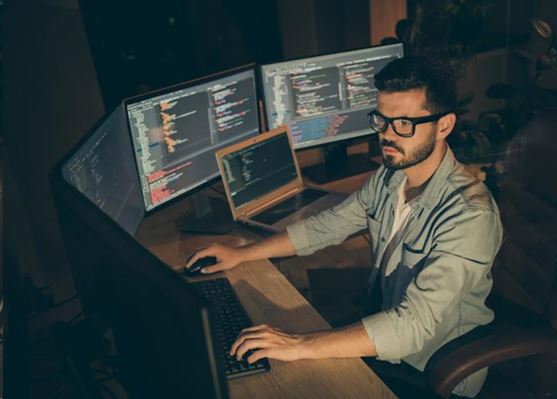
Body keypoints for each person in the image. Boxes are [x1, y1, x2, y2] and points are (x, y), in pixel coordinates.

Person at [187, 56, 503, 398]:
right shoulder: (391, 175)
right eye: (381, 120)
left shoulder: (470, 216)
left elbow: (412, 327)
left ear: (444, 126)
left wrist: (299, 344)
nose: (386, 136)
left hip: (434, 369)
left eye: (404, 125)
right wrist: (241, 254)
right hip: (385, 333)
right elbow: (328, 226)